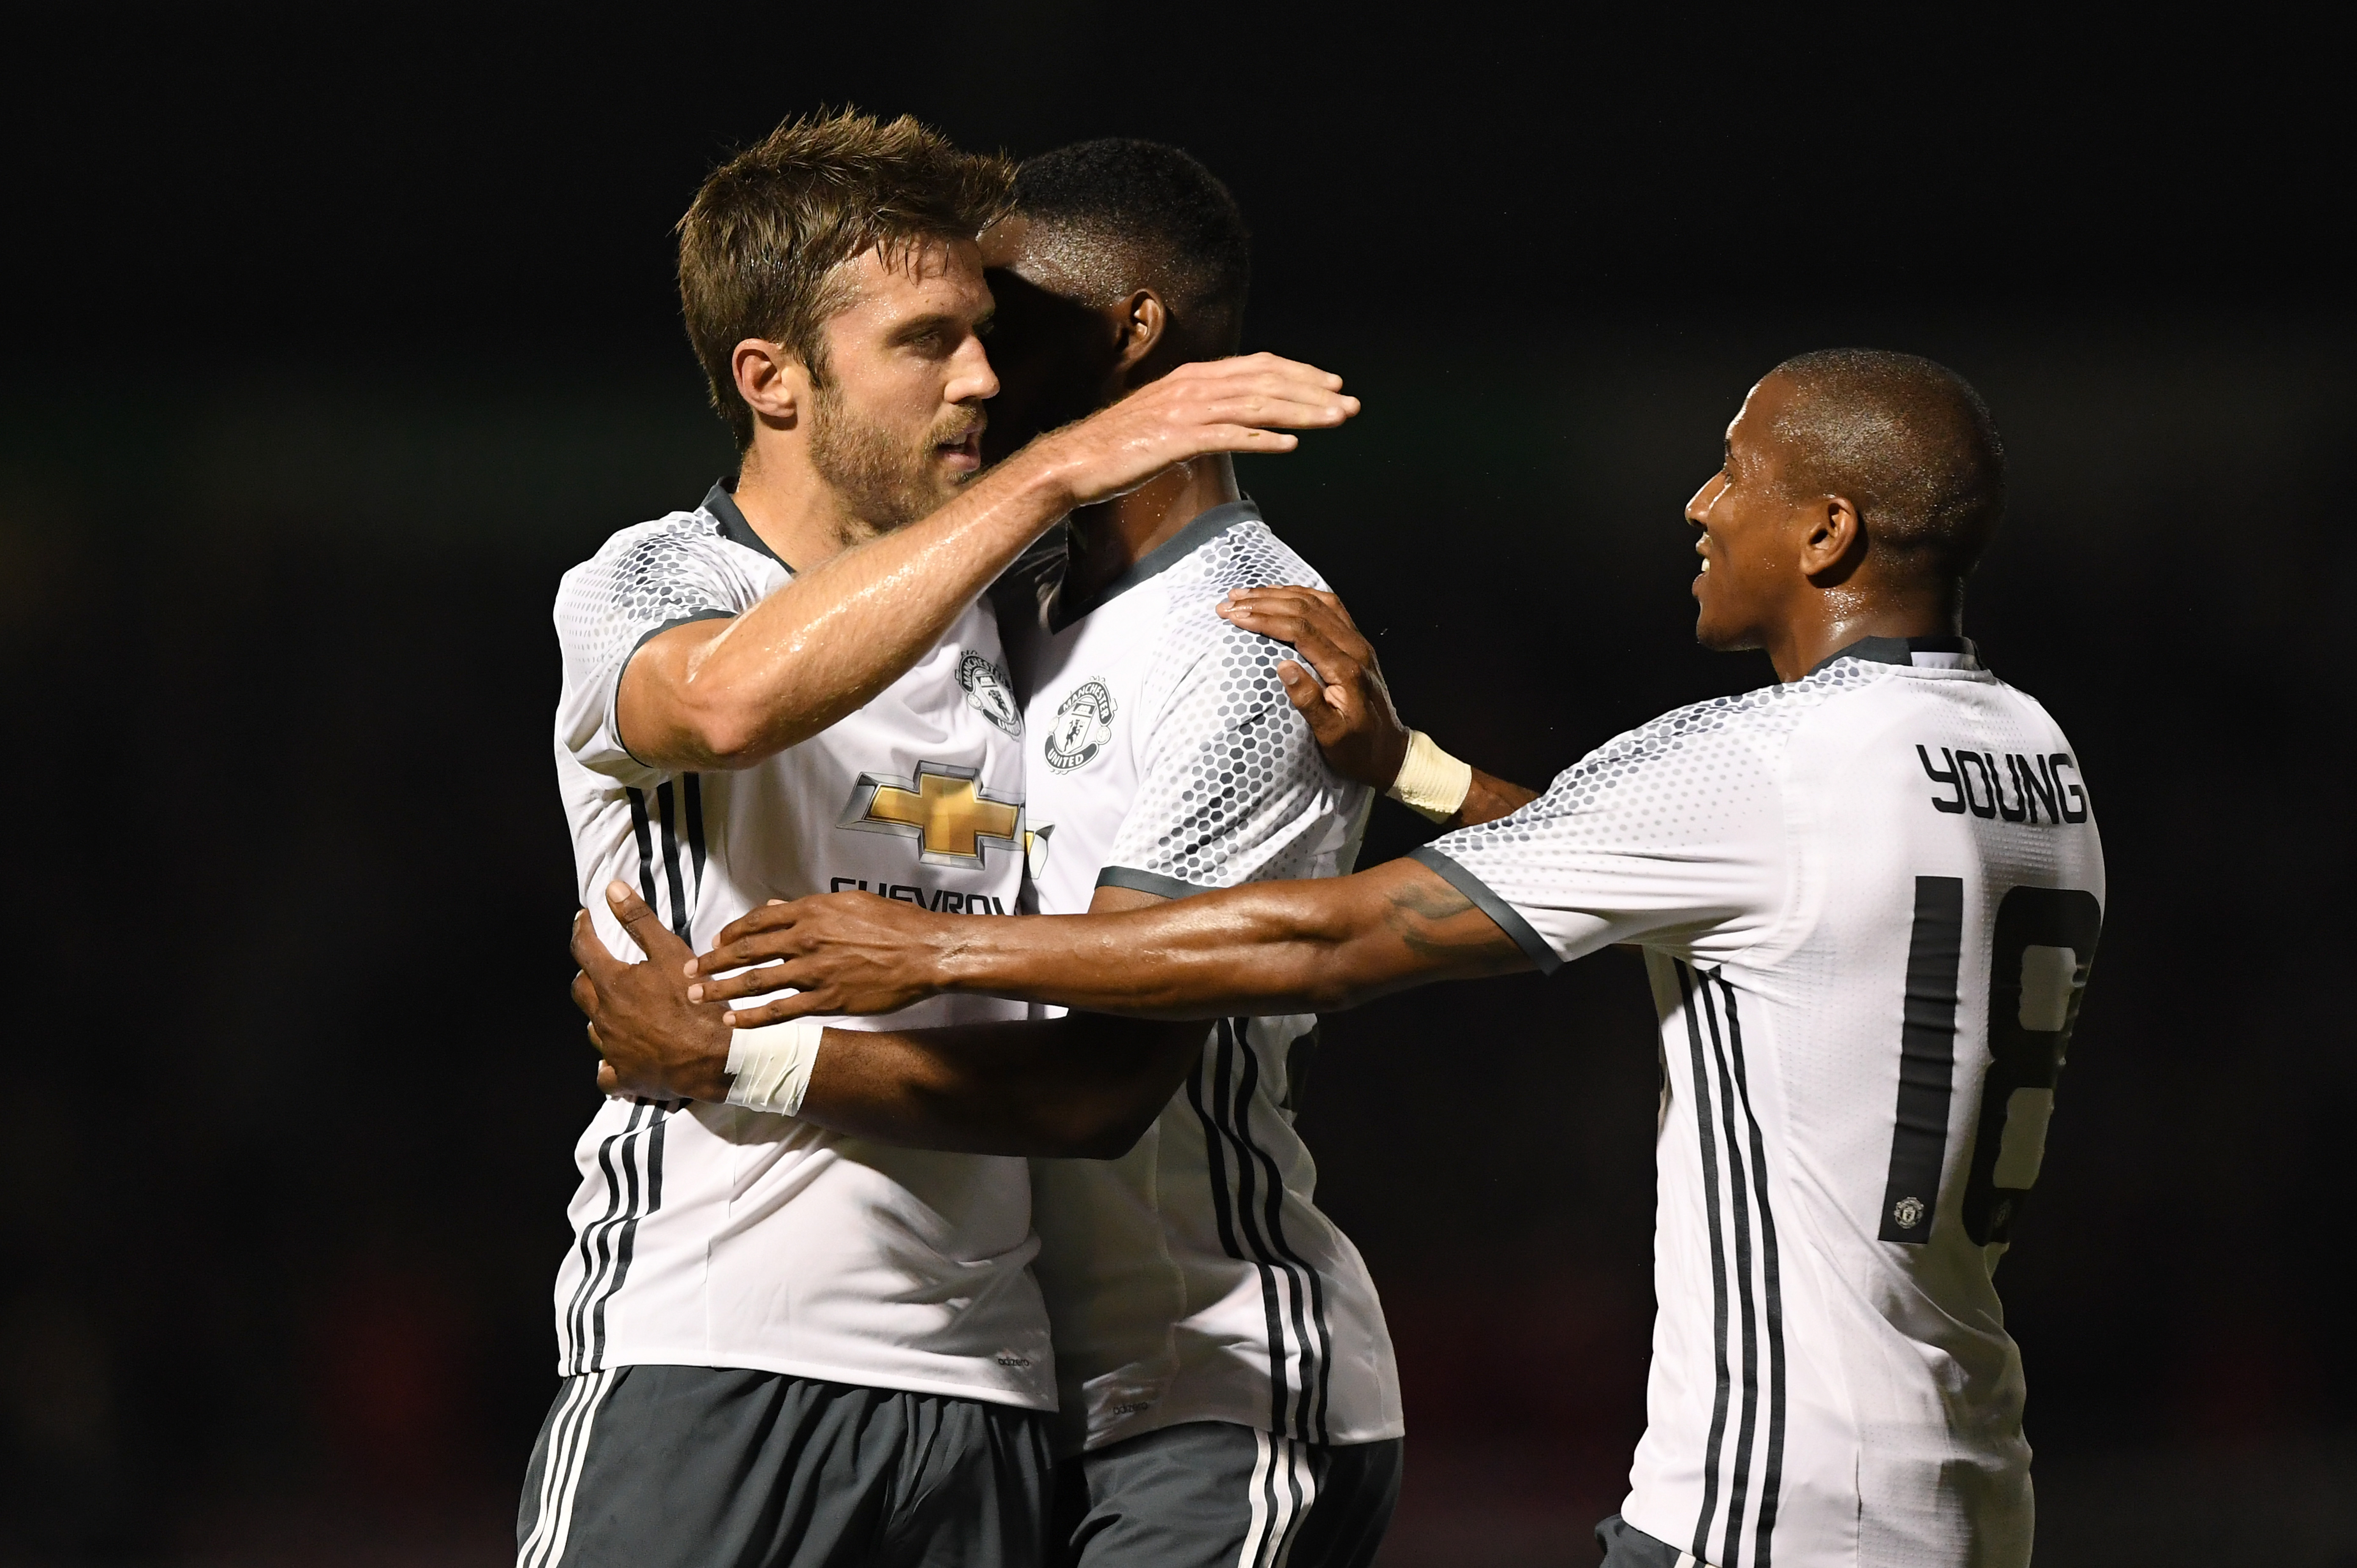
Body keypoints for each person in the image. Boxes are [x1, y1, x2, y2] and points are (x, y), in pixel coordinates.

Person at [657, 350, 2108, 1568]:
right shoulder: (2030, 758)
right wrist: (1401, 763)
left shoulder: (1760, 762)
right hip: (1972, 1480)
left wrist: (931, 944)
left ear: (1830, 534)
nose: (1702, 503)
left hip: (1775, 1501)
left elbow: (1321, 940)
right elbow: (1681, 875)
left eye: (1738, 474)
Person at [525, 108, 1355, 1568]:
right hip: (709, 1351)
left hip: (988, 1397)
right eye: (924, 342)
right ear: (771, 380)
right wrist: (1058, 469)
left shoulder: (1023, 619)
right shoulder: (649, 578)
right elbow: (721, 706)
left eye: (984, 333)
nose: (981, 379)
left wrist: (1396, 752)